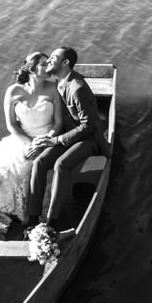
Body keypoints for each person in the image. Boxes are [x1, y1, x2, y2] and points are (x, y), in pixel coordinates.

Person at [0, 51, 63, 239]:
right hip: (21, 139)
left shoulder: (53, 88)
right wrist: (28, 143)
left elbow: (58, 124)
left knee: (33, 169)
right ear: (32, 69)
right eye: (44, 63)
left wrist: (45, 140)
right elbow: (11, 124)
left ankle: (30, 215)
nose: (49, 65)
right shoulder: (13, 91)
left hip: (46, 139)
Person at [29, 47, 109, 231]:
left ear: (65, 63)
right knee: (40, 162)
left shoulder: (78, 88)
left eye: (53, 58)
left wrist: (56, 141)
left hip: (88, 139)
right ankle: (32, 219)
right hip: (69, 136)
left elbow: (89, 125)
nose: (49, 61)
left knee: (61, 165)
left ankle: (51, 222)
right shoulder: (59, 81)